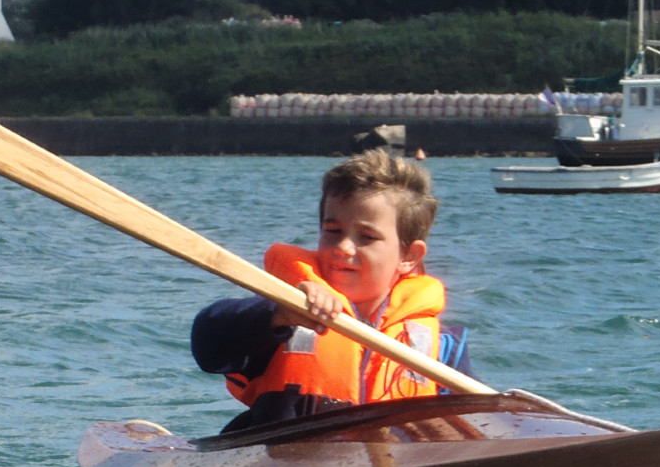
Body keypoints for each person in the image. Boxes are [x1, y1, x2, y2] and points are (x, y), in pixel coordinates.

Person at [192, 149, 474, 431]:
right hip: (287, 463)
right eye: (333, 231)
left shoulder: (445, 348)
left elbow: (467, 425)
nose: (343, 248)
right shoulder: (285, 314)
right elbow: (208, 346)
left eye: (367, 237)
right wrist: (279, 315)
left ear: (409, 256)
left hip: (390, 464)